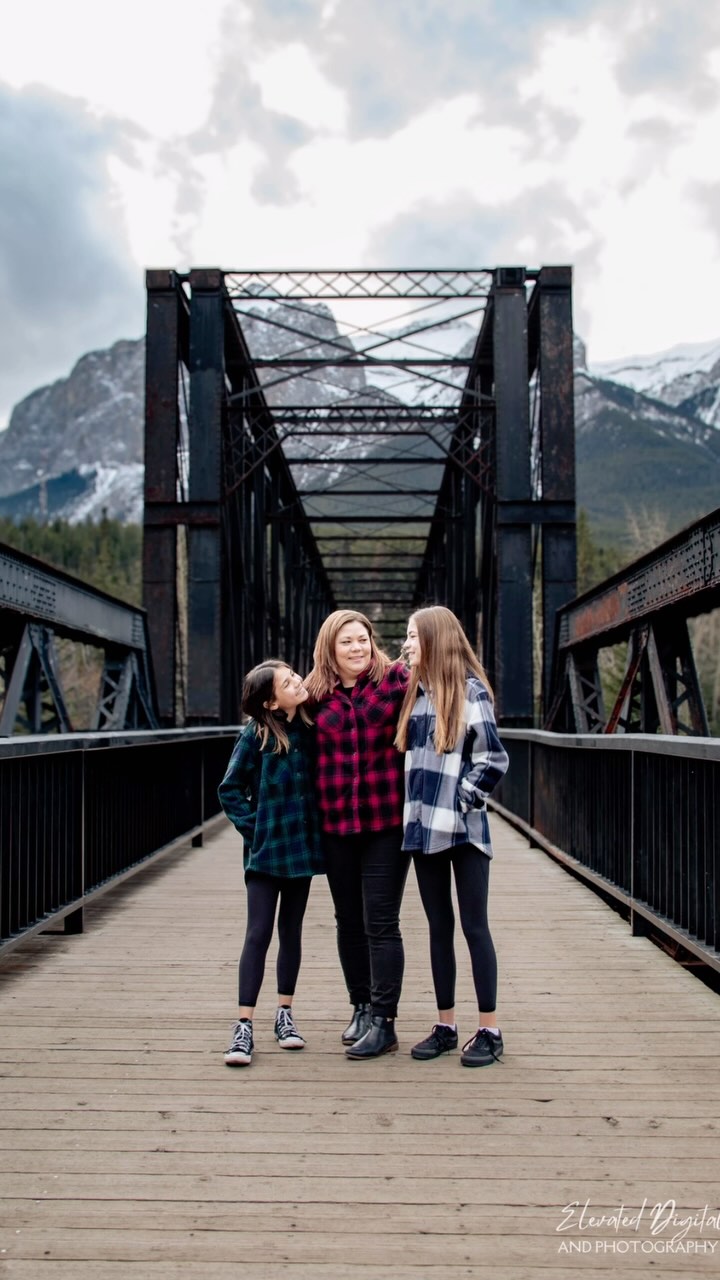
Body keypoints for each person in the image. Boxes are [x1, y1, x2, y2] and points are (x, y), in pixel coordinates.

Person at [395, 606, 509, 1068]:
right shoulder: (415, 695)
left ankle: (490, 1029)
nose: (406, 643)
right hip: (423, 832)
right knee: (438, 929)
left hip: (462, 832)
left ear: (434, 639)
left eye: (412, 636)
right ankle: (446, 1025)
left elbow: (492, 760)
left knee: (473, 927)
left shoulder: (469, 691)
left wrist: (460, 800)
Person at [305, 610, 410, 1059]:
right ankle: (361, 1007)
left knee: (380, 921)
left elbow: (444, 694)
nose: (356, 648)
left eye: (362, 640)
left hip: (386, 821)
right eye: (346, 642)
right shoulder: (312, 696)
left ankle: (385, 1022)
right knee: (347, 921)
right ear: (330, 648)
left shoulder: (397, 682)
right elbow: (269, 724)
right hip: (335, 825)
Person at [218, 660, 324, 1067]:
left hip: (300, 849)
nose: (298, 682)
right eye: (287, 681)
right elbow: (229, 790)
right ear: (270, 699)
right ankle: (243, 1024)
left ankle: (285, 1014)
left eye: (295, 676)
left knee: (291, 930)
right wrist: (254, 831)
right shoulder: (256, 735)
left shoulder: (313, 729)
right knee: (258, 932)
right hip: (266, 853)